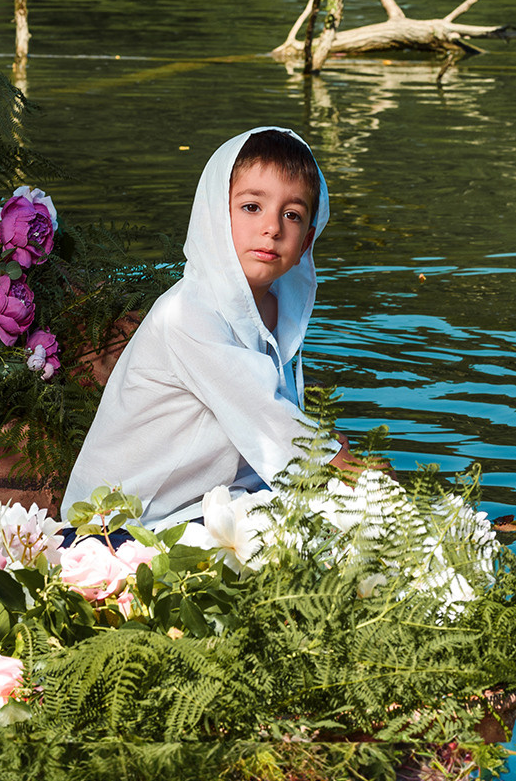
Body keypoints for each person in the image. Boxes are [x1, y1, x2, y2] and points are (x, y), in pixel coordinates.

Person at [61, 126, 356, 528]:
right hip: (128, 522)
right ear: (216, 215)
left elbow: (276, 418)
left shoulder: (272, 308)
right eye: (252, 207)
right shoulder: (188, 314)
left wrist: (328, 452)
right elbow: (271, 421)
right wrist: (360, 476)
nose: (272, 228)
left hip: (213, 499)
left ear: (305, 242)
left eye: (292, 215)